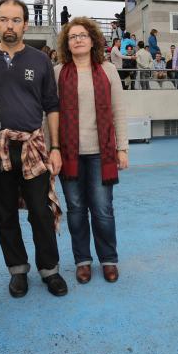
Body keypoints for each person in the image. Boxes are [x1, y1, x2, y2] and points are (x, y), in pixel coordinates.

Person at [0, 0, 68, 297]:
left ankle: (49, 269)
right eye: (3, 19)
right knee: (4, 213)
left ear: (26, 24)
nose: (9, 25)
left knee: (40, 210)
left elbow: (52, 105)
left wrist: (56, 148)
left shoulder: (40, 60)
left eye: (15, 20)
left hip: (33, 146)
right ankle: (18, 270)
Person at [53, 18, 128, 284]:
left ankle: (109, 259)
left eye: (83, 35)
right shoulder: (58, 71)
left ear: (93, 39)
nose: (78, 40)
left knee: (103, 209)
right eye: (72, 36)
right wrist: (53, 150)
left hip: (101, 153)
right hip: (69, 153)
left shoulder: (107, 70)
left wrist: (123, 148)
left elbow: (118, 110)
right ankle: (82, 261)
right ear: (67, 43)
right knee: (75, 209)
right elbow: (50, 114)